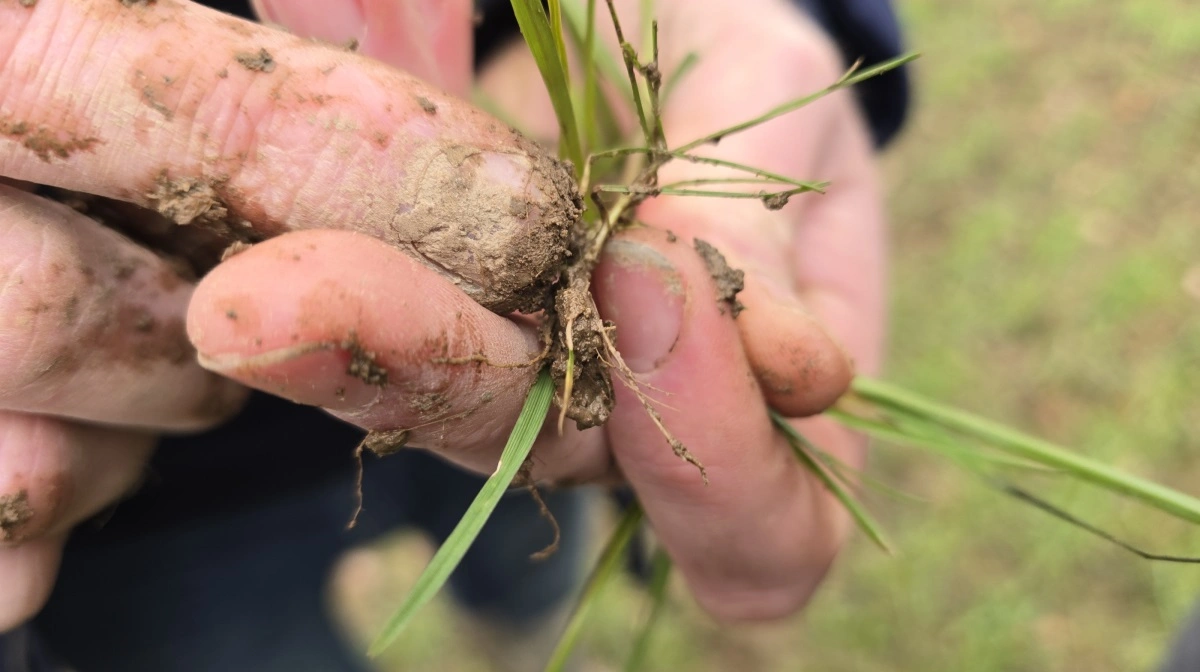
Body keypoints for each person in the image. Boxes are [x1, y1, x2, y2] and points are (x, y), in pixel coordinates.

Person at [0, 0, 909, 669]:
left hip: (520, 396)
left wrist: (765, 20)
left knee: (532, 572)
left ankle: (534, 645)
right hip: (126, 499)